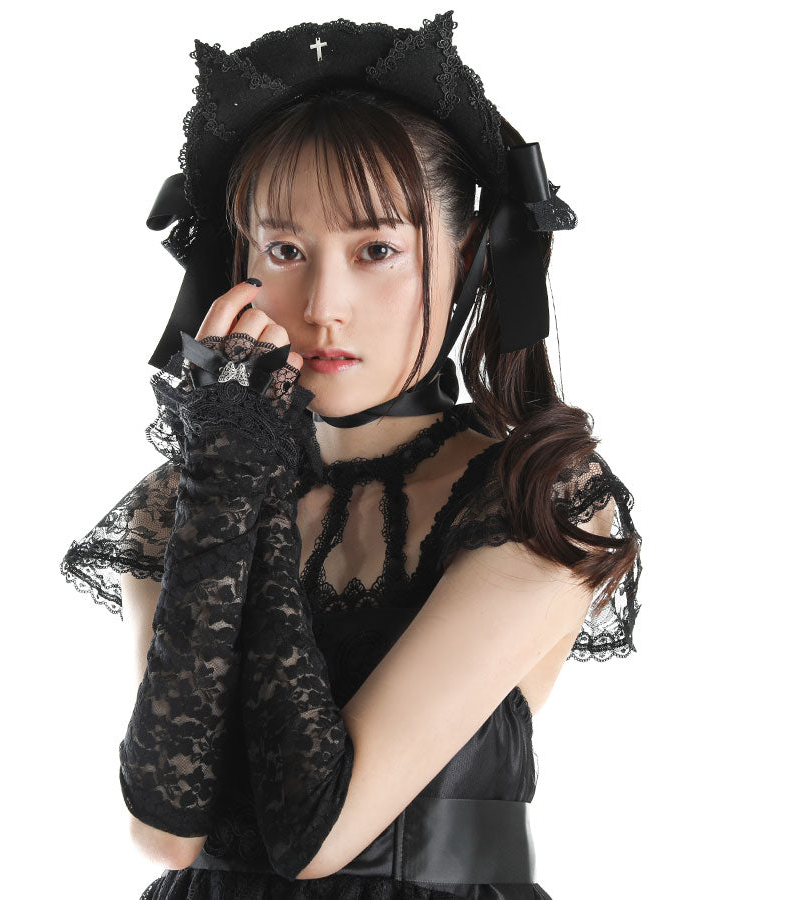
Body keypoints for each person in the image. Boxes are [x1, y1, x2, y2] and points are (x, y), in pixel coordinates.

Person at [60, 11, 643, 900]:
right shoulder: (192, 489)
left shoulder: (538, 497)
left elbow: (317, 834)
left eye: (377, 250)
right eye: (285, 250)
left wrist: (242, 485)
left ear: (465, 257)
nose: (323, 304)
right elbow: (167, 832)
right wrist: (229, 476)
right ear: (240, 261)